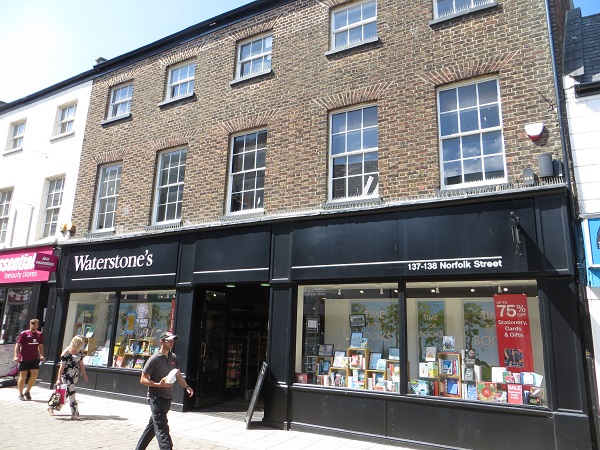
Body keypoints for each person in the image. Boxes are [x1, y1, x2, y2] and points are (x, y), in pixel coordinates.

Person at [135, 331, 194, 450]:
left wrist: (187, 387)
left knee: (153, 426)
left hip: (167, 398)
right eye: (169, 341)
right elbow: (143, 379)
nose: (172, 343)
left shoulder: (174, 357)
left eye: (173, 341)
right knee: (162, 428)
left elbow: (178, 375)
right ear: (162, 342)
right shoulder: (154, 359)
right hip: (156, 398)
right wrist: (158, 384)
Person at [52, 335, 89, 419]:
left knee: (65, 393)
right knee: (72, 393)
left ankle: (53, 405)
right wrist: (58, 379)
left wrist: (84, 374)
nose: (81, 346)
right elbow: (62, 366)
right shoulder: (66, 352)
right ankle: (75, 412)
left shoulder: (80, 352)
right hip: (66, 375)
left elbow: (81, 364)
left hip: (75, 375)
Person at [13, 318, 45, 401]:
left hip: (34, 357)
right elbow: (18, 345)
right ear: (30, 325)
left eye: (37, 325)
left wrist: (41, 355)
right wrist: (16, 356)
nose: (35, 327)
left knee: (34, 374)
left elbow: (40, 346)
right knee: (23, 375)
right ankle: (20, 393)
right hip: (24, 357)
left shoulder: (39, 334)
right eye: (34, 325)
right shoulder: (24, 333)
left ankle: (27, 391)